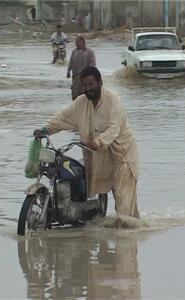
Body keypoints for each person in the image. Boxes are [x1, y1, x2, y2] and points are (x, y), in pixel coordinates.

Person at [34, 66, 140, 219]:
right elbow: (63, 117)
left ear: (100, 82)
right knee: (95, 188)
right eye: (85, 85)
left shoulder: (113, 100)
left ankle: (128, 233)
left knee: (124, 202)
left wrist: (97, 142)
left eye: (91, 85)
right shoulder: (81, 102)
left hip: (122, 155)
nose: (88, 89)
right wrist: (45, 129)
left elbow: (113, 129)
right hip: (99, 157)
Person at [67, 36, 96, 100]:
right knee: (74, 95)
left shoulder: (90, 52)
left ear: (83, 42)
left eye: (78, 42)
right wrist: (68, 71)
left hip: (85, 78)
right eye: (76, 43)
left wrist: (88, 73)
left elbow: (93, 64)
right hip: (75, 78)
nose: (76, 44)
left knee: (84, 96)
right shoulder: (74, 51)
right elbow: (70, 62)